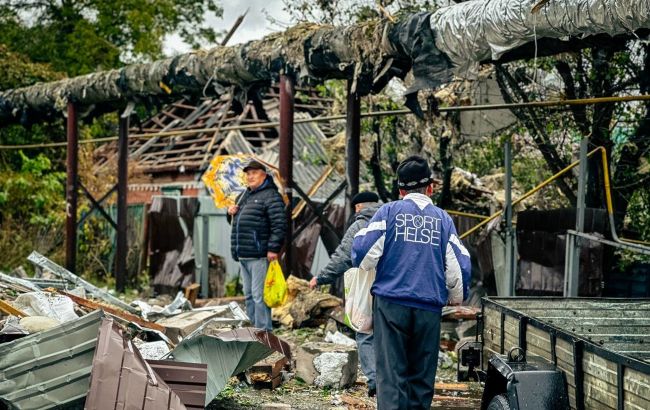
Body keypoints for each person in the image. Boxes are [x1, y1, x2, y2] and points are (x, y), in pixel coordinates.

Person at [352, 155, 471, 410]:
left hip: (391, 305)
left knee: (391, 376)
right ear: (431, 188)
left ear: (400, 190)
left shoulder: (388, 212)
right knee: (421, 379)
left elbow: (362, 252)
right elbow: (459, 268)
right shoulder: (443, 220)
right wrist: (456, 298)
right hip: (428, 309)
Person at [309, 191, 381, 397]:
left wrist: (321, 277)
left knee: (365, 332)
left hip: (367, 287)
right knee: (388, 333)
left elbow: (343, 256)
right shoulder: (393, 218)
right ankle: (392, 379)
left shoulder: (359, 225)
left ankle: (375, 381)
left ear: (358, 208)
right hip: (395, 287)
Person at [228, 159, 286, 331]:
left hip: (259, 254)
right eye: (248, 173)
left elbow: (279, 224)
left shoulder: (271, 196)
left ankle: (264, 333)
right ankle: (251, 330)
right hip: (244, 254)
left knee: (259, 296)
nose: (250, 176)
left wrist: (273, 248)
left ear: (264, 175)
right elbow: (237, 222)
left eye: (254, 173)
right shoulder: (244, 195)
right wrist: (230, 213)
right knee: (248, 296)